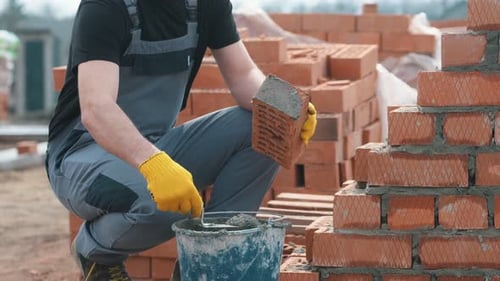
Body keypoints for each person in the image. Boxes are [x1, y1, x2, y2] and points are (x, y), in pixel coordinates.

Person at [45, 0, 317, 280]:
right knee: (165, 205)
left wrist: (284, 106)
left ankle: (209, 262)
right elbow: (96, 108)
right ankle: (94, 251)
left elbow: (244, 75)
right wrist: (153, 165)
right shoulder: (105, 7)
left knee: (260, 124)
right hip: (83, 157)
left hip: (158, 146)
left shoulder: (207, 5)